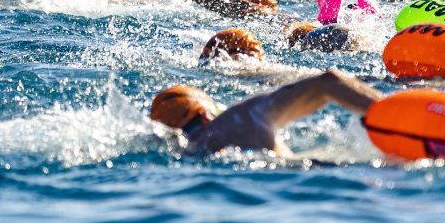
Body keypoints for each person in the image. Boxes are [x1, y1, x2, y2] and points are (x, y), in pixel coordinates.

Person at [149, 70, 380, 155]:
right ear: (206, 114)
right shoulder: (241, 117)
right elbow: (328, 81)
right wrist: (388, 109)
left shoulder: (189, 151)